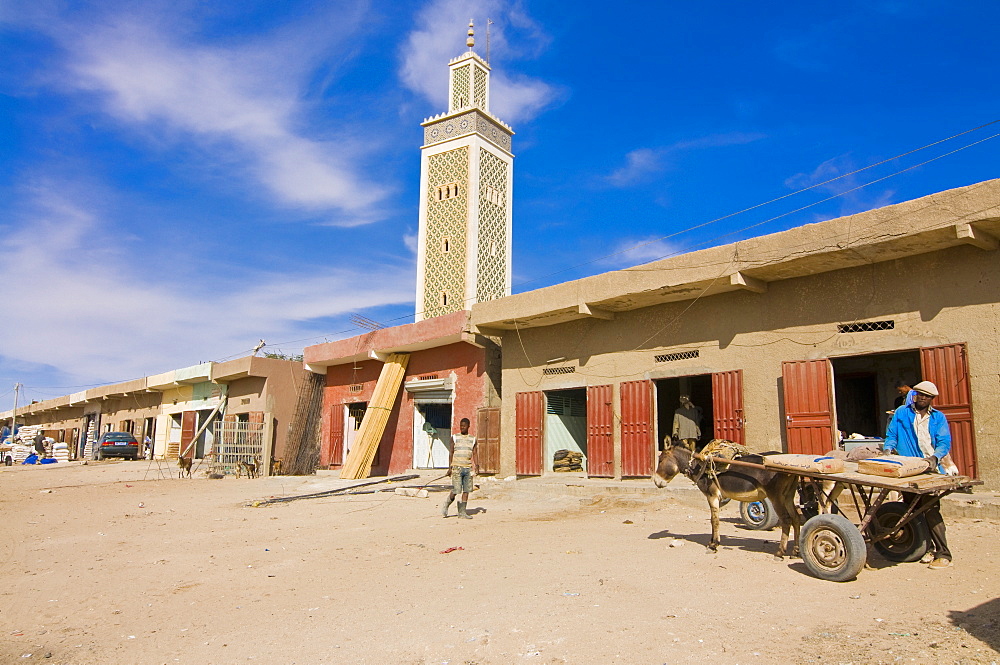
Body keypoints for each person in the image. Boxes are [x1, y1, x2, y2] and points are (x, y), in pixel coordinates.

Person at [883, 380, 953, 569]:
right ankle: (926, 549)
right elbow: (891, 435)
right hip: (908, 468)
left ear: (932, 399)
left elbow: (944, 441)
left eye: (927, 396)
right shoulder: (901, 413)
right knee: (911, 509)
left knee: (930, 510)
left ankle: (943, 553)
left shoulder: (938, 418)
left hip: (930, 468)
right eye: (919, 394)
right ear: (914, 395)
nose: (922, 398)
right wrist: (888, 449)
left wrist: (935, 457)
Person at [441, 418, 476, 519]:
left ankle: (462, 512)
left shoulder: (473, 439)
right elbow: (451, 452)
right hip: (457, 468)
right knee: (456, 490)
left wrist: (476, 466)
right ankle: (446, 505)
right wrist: (450, 468)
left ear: (468, 426)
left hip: (468, 468)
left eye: (464, 426)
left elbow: (475, 453)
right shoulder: (455, 438)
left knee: (466, 490)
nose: (462, 427)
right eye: (461, 426)